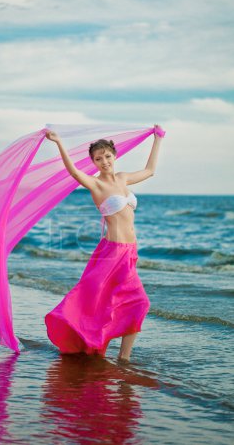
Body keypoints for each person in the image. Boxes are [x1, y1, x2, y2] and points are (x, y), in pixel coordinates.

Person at [44, 125, 164, 362]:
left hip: (129, 252)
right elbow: (74, 172)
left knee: (130, 302)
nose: (104, 161)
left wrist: (157, 138)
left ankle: (122, 357)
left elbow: (150, 170)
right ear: (93, 162)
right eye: (98, 159)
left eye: (107, 156)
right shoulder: (95, 185)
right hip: (112, 253)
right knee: (134, 301)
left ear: (115, 155)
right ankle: (123, 359)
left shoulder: (124, 178)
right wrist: (59, 143)